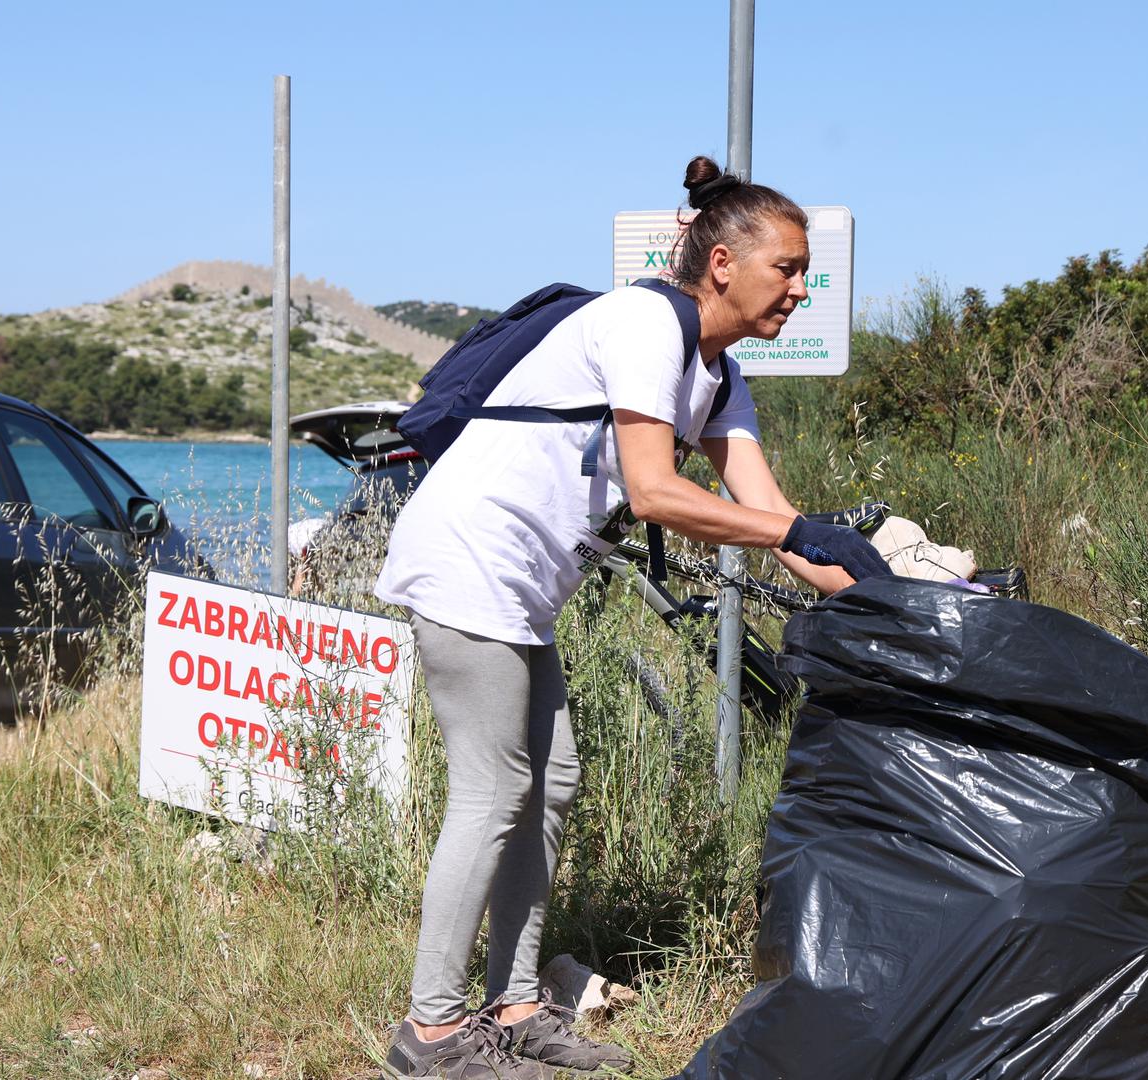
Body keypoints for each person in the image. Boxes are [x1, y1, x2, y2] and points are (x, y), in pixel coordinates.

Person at [373, 156, 891, 1079]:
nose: (799, 290)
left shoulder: (720, 378)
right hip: (466, 560)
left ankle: (517, 1007)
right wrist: (794, 531)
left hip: (522, 589)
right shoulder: (644, 323)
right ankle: (432, 1033)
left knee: (550, 782)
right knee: (494, 791)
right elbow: (654, 493)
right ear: (723, 264)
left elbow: (776, 522)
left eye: (805, 274)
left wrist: (889, 598)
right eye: (787, 269)